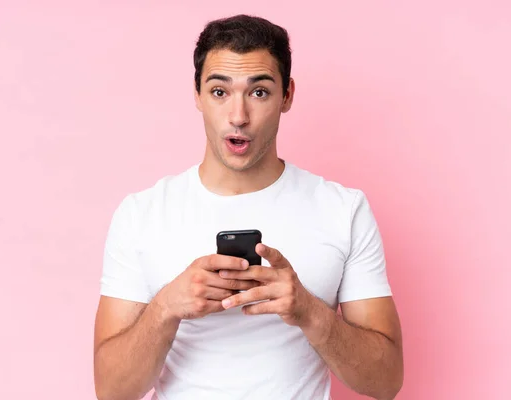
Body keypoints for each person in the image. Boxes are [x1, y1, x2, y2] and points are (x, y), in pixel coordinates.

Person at [93, 14, 403, 400]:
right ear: (197, 94)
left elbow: (386, 381)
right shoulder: (141, 215)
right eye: (220, 92)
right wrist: (165, 308)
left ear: (287, 95)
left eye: (259, 92)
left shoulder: (344, 209)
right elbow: (110, 390)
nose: (238, 117)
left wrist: (308, 311)